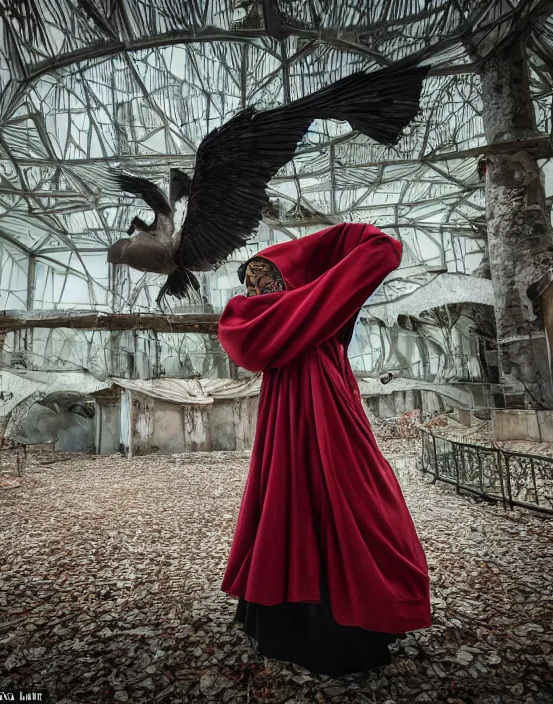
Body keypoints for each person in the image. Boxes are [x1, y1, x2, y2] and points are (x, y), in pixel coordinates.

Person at [216, 222, 431, 677]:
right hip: (320, 401)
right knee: (338, 494)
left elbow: (383, 250)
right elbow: (381, 247)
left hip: (300, 405)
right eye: (255, 283)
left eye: (265, 281)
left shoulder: (266, 319)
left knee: (296, 494)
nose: (259, 290)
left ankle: (286, 613)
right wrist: (316, 257)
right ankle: (348, 619)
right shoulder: (316, 305)